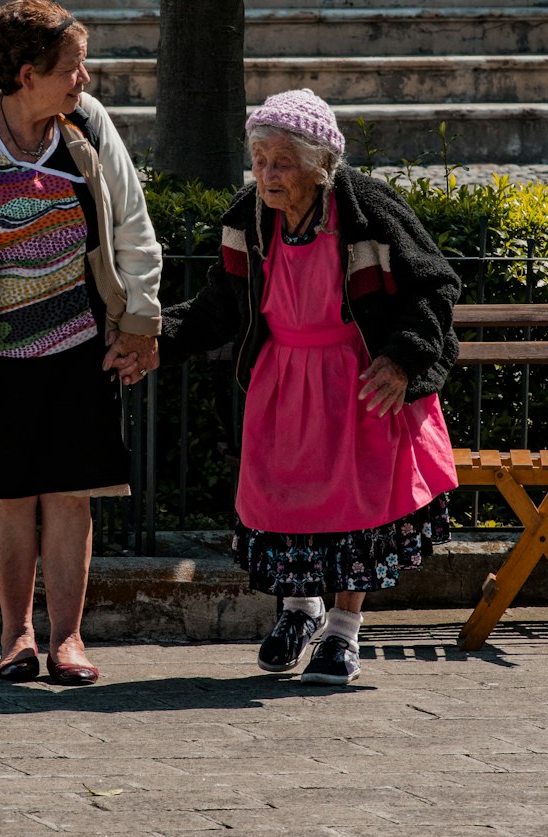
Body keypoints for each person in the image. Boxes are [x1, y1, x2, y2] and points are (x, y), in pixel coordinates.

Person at [158, 89, 460, 686]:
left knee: (355, 510)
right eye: (260, 159)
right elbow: (221, 303)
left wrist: (402, 361)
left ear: (321, 165)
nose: (267, 174)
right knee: (283, 501)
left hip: (359, 380)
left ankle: (344, 633)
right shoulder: (249, 215)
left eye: (283, 162)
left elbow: (433, 287)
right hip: (283, 380)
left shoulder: (368, 208)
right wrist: (158, 340)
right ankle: (299, 611)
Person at [0, 0, 161, 686]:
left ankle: (69, 639)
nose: (85, 80)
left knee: (72, 494)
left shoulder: (88, 125)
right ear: (28, 75)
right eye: (73, 69)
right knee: (9, 495)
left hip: (80, 342)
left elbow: (132, 224)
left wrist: (141, 321)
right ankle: (16, 635)